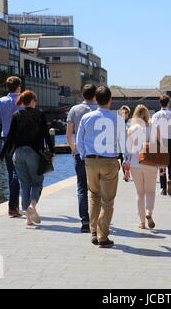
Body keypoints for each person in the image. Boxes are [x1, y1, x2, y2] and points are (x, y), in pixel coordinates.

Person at [76, 86, 128, 248]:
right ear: (110, 100)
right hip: (109, 161)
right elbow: (123, 143)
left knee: (94, 196)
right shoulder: (117, 119)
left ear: (95, 100)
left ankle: (93, 232)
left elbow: (79, 142)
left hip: (91, 161)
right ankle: (102, 235)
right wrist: (125, 160)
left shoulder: (86, 118)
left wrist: (85, 156)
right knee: (108, 200)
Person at [0, 90, 55, 226]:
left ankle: (28, 219)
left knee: (24, 184)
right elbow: (46, 135)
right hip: (33, 153)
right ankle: (32, 206)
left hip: (17, 154)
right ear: (33, 101)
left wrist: (2, 154)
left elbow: (10, 137)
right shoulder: (40, 114)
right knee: (37, 183)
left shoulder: (16, 115)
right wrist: (52, 151)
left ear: (23, 102)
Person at [0, 76, 23, 218]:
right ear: (18, 86)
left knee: (11, 172)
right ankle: (13, 206)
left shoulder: (1, 101)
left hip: (6, 140)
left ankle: (14, 206)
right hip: (22, 141)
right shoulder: (23, 100)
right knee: (19, 174)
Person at [66, 84, 98, 233]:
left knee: (81, 187)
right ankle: (97, 219)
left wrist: (73, 147)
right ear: (95, 95)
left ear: (82, 95)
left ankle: (85, 221)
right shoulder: (99, 110)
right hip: (97, 154)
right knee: (97, 189)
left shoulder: (74, 110)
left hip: (80, 153)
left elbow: (69, 134)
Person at [127, 105, 158, 230]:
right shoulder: (154, 128)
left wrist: (126, 166)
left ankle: (141, 222)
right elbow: (159, 146)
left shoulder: (131, 129)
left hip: (135, 162)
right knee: (150, 191)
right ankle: (148, 212)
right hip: (150, 162)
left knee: (140, 193)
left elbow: (128, 149)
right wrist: (161, 166)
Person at [151, 95, 171, 196]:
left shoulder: (155, 116)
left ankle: (163, 188)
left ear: (160, 103)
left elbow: (153, 131)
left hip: (160, 141)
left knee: (161, 165)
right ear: (168, 103)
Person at [119, 105, 131, 182]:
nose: (124, 114)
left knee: (127, 158)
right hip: (120, 144)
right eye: (123, 112)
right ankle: (125, 173)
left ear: (128, 113)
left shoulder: (131, 122)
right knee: (122, 158)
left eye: (126, 112)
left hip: (129, 143)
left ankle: (127, 172)